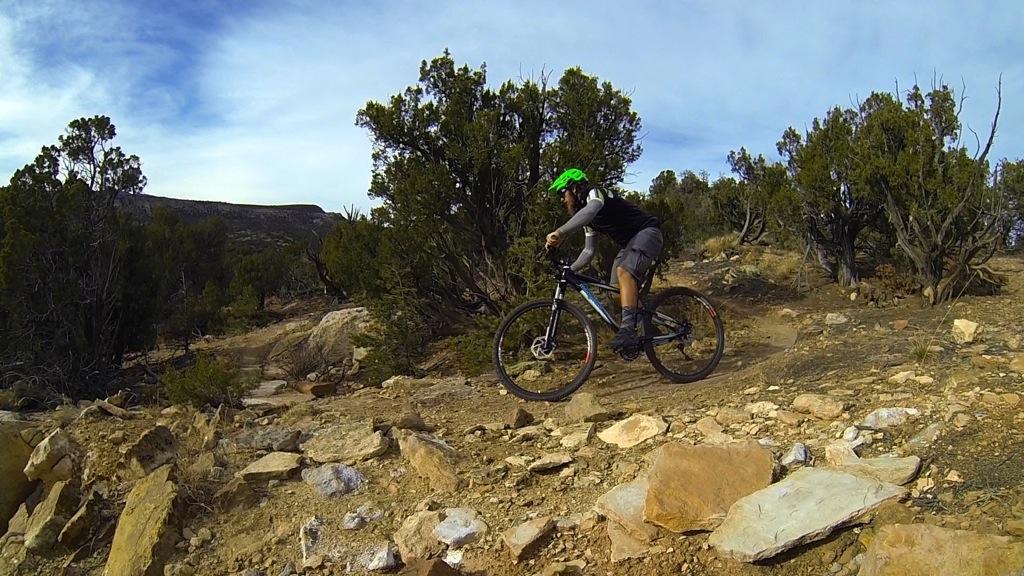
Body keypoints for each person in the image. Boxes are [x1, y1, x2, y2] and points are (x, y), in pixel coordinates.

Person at [544, 168, 664, 352]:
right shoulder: (589, 218)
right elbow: (589, 250)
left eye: (563, 193)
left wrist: (559, 232)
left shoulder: (595, 194)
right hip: (630, 244)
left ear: (574, 188)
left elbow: (591, 210)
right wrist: (569, 270)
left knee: (624, 272)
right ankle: (648, 327)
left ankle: (627, 331)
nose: (563, 199)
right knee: (616, 292)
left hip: (648, 232)